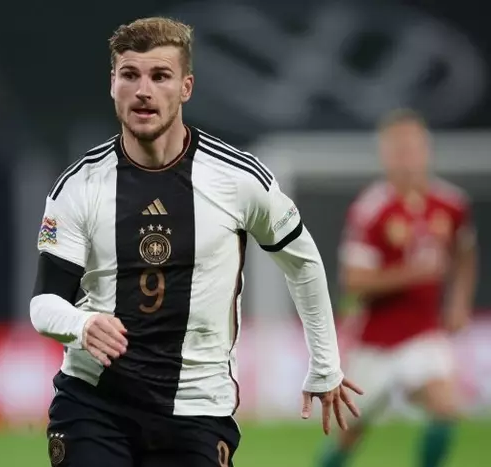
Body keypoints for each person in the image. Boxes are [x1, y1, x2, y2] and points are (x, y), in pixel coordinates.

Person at [30, 17, 362, 467]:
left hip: (198, 410)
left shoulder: (238, 179)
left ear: (186, 87)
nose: (143, 90)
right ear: (112, 84)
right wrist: (82, 324)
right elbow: (44, 303)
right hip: (95, 403)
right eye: (130, 75)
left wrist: (325, 364)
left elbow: (302, 262)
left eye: (160, 76)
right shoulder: (78, 185)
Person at [317, 109, 478, 467]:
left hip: (423, 334)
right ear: (386, 155)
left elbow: (465, 252)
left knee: (446, 408)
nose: (409, 158)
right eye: (400, 150)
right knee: (350, 435)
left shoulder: (451, 204)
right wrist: (412, 273)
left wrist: (459, 302)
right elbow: (354, 282)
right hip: (375, 341)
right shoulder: (372, 210)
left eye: (415, 148)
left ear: (427, 150)